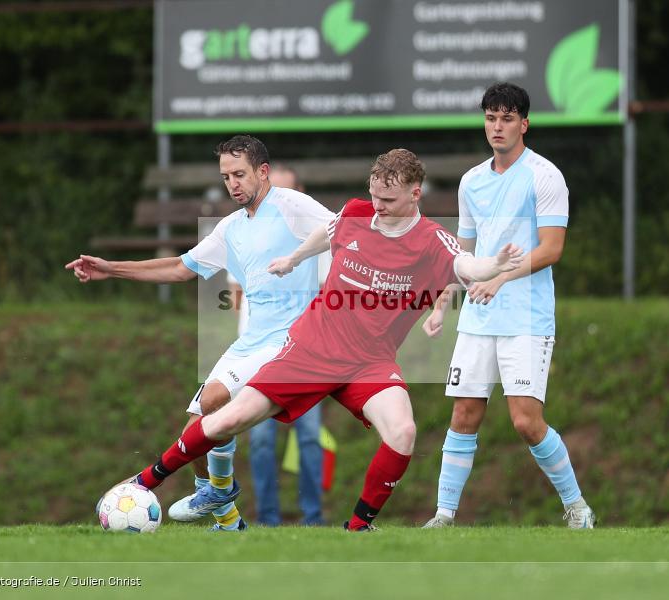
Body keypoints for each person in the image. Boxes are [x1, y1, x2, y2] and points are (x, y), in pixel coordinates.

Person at [123, 148, 525, 531]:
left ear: (415, 193)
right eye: (374, 196)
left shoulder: (433, 239)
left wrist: (496, 264)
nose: (377, 206)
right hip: (311, 349)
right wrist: (295, 259)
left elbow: (467, 265)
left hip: (369, 363)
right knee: (228, 418)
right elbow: (326, 232)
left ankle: (358, 527)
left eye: (387, 199)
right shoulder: (356, 212)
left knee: (403, 432)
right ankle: (144, 482)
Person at [66, 135, 334, 531]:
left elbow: (344, 227)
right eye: (226, 177)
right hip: (251, 341)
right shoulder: (231, 228)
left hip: (291, 339)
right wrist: (112, 269)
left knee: (215, 401)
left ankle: (221, 492)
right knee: (195, 426)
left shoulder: (292, 205)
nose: (232, 184)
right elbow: (180, 267)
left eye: (240, 174)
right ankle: (226, 516)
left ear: (263, 172)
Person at [420, 82, 595, 529]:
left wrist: (500, 278)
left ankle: (577, 507)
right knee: (464, 413)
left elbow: (552, 248)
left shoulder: (545, 176)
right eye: (491, 118)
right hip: (479, 316)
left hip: (527, 317)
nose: (497, 127)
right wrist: (442, 302)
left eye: (507, 118)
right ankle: (443, 516)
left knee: (525, 421)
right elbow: (464, 254)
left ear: (524, 124)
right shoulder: (472, 182)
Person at [229, 163, 326, 526]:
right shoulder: (244, 235)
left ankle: (314, 518)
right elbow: (237, 295)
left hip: (304, 355)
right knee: (261, 442)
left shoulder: (317, 243)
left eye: (288, 195)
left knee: (311, 439)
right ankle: (268, 520)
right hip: (257, 357)